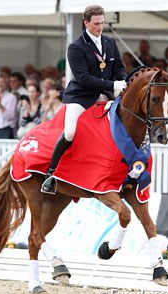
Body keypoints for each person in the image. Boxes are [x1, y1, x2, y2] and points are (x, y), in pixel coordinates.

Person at [41, 4, 127, 193]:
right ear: (86, 23)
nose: (100, 27)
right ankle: (51, 174)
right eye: (96, 23)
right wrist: (112, 85)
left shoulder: (110, 43)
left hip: (106, 94)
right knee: (70, 132)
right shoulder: (75, 47)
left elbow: (119, 67)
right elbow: (83, 78)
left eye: (102, 23)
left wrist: (122, 81)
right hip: (81, 96)